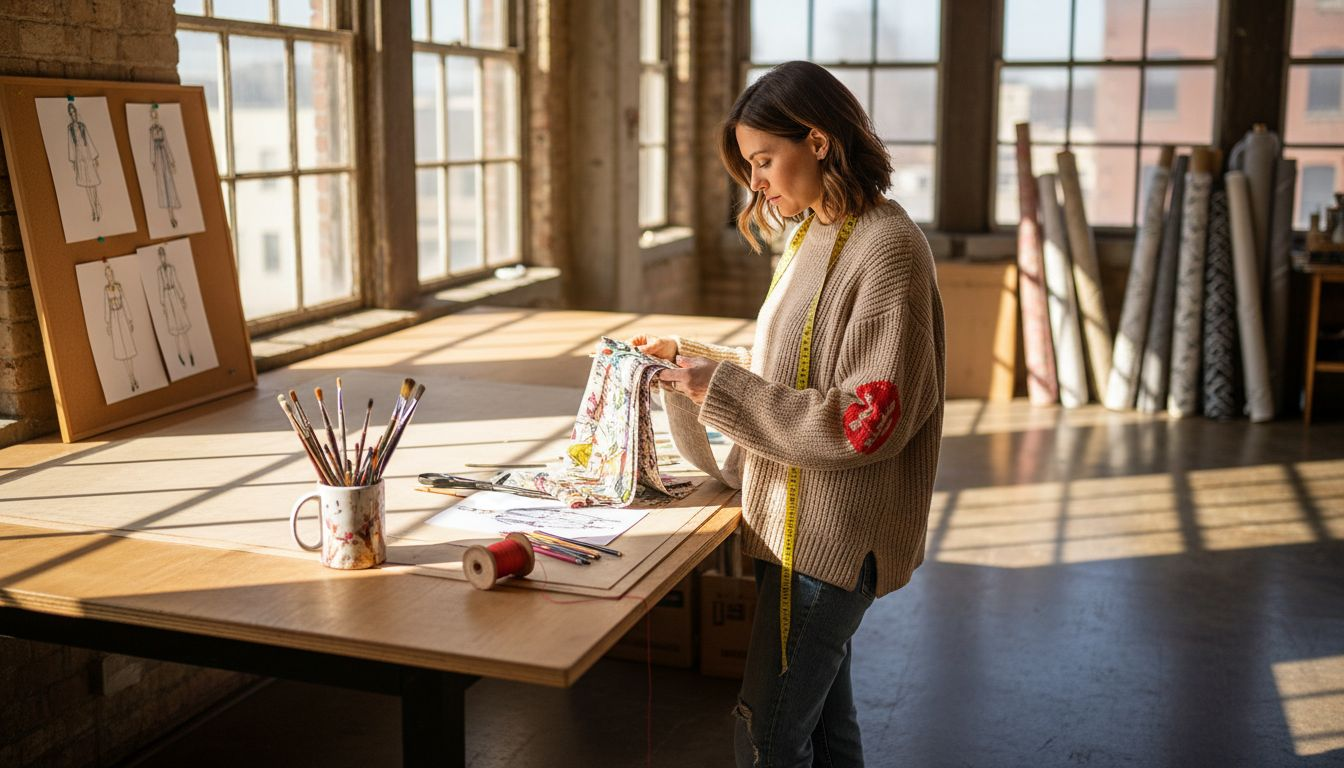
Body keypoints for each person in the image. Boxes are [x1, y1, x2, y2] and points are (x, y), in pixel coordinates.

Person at [634, 61, 945, 767]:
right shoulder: (813, 234)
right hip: (793, 526)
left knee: (765, 740)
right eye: (751, 167)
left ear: (819, 139)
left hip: (829, 544)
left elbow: (863, 423)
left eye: (766, 160)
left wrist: (720, 390)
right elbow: (789, 372)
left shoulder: (886, 250)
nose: (759, 184)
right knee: (828, 733)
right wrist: (690, 360)